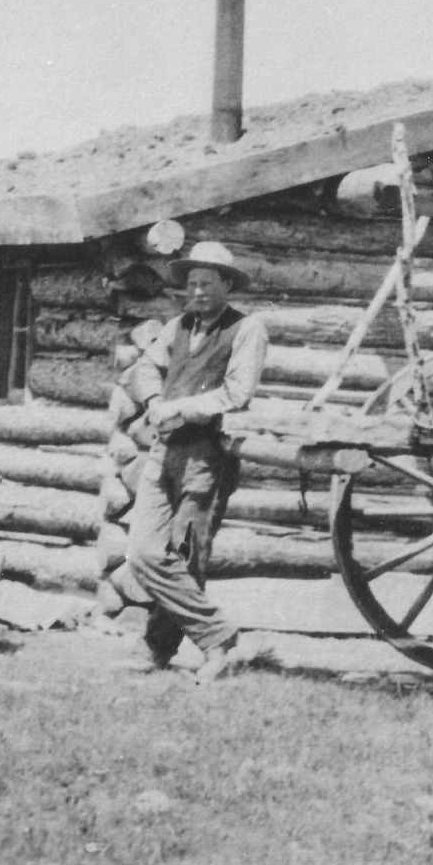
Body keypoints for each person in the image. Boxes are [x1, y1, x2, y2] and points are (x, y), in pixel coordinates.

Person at [101, 240, 268, 682]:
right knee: (143, 553)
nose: (197, 292)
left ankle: (158, 649)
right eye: (192, 283)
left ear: (227, 285)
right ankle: (220, 637)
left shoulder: (246, 329)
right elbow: (144, 369)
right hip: (164, 453)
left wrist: (180, 408)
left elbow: (237, 393)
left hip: (207, 456)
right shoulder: (178, 326)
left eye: (207, 284)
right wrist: (155, 400)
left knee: (187, 557)